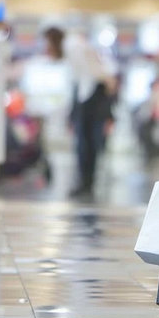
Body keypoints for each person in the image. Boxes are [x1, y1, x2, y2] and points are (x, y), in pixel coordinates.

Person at [56, 30, 116, 199]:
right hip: (88, 109)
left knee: (87, 148)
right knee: (87, 148)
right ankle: (86, 183)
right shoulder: (86, 80)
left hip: (91, 110)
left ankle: (86, 184)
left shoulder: (92, 81)